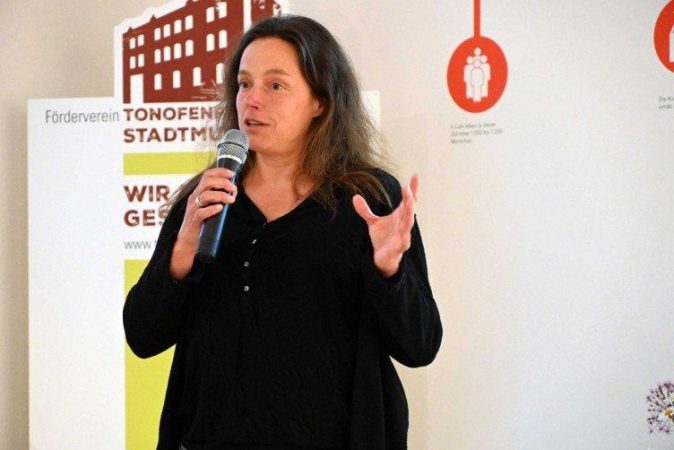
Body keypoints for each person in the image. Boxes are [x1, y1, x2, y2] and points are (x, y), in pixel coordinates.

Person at [123, 14, 442, 450]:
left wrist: (390, 273)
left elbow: (420, 346)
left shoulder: (368, 200)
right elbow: (143, 336)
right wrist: (183, 249)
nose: (251, 100)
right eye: (244, 84)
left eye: (275, 85)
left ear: (320, 101)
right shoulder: (206, 200)